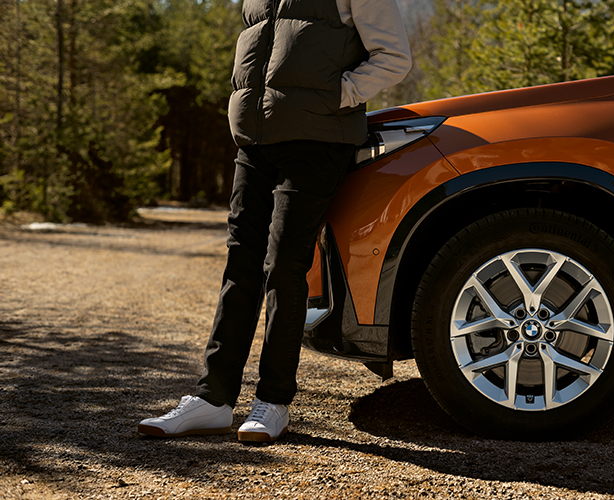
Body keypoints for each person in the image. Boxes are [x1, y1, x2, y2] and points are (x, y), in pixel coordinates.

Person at [137, 0, 411, 443]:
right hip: (256, 139)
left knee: (284, 265)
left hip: (318, 140)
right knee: (240, 266)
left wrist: (337, 95)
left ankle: (273, 401)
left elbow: (394, 57)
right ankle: (213, 399)